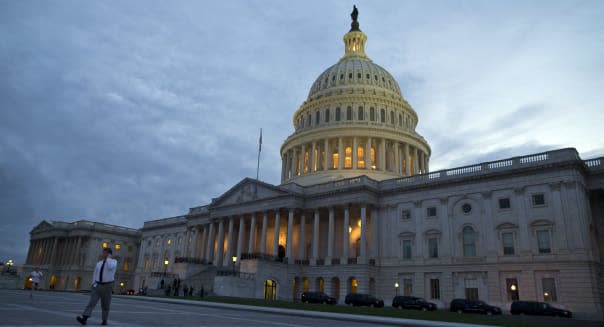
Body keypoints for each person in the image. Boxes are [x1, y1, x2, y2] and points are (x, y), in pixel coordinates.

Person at [76, 248, 117, 326]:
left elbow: (110, 267)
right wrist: (93, 283)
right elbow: (95, 273)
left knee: (105, 304)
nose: (103, 254)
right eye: (103, 253)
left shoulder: (113, 262)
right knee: (91, 302)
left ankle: (104, 320)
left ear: (109, 254)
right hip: (97, 285)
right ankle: (84, 319)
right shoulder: (99, 263)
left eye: (105, 253)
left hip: (107, 286)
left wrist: (108, 258)